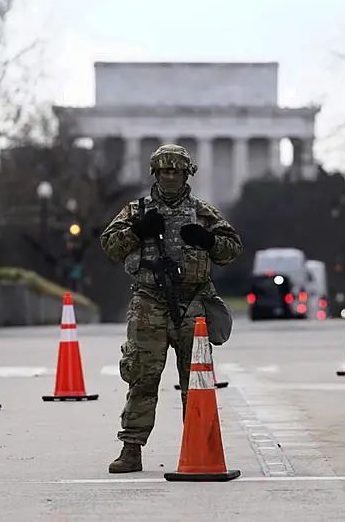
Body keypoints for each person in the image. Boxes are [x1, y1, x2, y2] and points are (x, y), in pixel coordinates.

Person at [99, 143, 243, 474]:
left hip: (192, 301)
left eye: (176, 171)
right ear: (155, 173)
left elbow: (232, 249)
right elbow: (109, 244)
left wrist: (208, 241)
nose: (170, 177)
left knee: (196, 381)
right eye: (164, 171)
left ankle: (199, 446)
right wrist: (138, 231)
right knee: (141, 375)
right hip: (149, 301)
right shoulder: (137, 210)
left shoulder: (203, 212)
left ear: (186, 174)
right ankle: (131, 448)